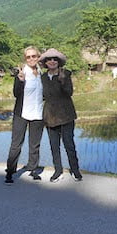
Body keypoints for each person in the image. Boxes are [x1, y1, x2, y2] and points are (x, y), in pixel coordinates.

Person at [39, 48, 82, 182]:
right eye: (49, 59)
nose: (52, 61)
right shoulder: (43, 78)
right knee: (54, 145)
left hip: (65, 115)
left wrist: (62, 81)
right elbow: (41, 96)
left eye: (54, 59)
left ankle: (75, 170)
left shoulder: (66, 74)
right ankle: (58, 171)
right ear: (45, 63)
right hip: (50, 116)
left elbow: (69, 92)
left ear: (59, 62)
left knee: (69, 144)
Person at [4, 46, 44, 184]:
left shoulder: (41, 73)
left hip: (38, 112)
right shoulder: (22, 73)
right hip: (22, 113)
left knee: (35, 144)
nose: (31, 59)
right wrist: (20, 81)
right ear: (25, 59)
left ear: (38, 57)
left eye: (34, 56)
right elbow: (16, 93)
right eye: (28, 57)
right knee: (16, 144)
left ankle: (33, 169)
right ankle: (10, 172)